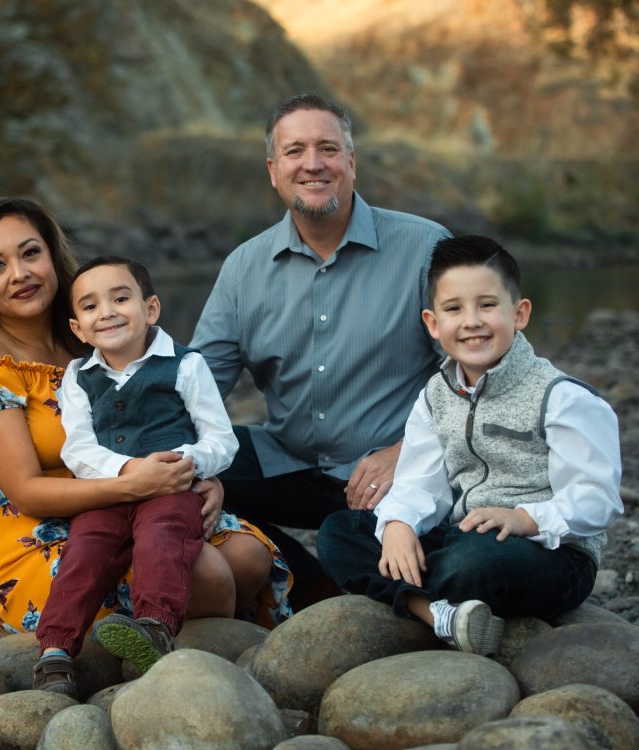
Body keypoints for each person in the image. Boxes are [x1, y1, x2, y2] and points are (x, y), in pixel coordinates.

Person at [0, 197, 291, 694]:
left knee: (249, 555)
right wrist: (139, 484)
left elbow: (164, 423)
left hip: (133, 498)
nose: (19, 274)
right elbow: (26, 493)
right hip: (32, 533)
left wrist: (196, 475)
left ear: (53, 256)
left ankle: (181, 646)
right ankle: (162, 672)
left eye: (30, 253)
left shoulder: (93, 342)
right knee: (210, 574)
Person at [191, 92, 451, 606]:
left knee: (363, 533)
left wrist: (408, 453)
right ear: (273, 169)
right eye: (295, 151)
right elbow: (194, 387)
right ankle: (312, 587)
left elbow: (477, 374)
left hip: (394, 472)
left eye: (328, 149)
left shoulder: (425, 248)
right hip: (291, 462)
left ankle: (352, 588)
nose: (313, 164)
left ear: (351, 163)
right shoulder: (244, 268)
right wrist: (195, 469)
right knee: (182, 475)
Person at [316, 235, 623, 654]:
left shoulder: (562, 398)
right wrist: (399, 526)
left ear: (519, 314)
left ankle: (421, 597)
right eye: (454, 309)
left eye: (488, 305)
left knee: (469, 562)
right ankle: (437, 613)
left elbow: (597, 502)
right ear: (433, 323)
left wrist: (524, 519)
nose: (472, 321)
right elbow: (419, 485)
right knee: (339, 532)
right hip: (461, 533)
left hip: (550, 555)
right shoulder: (436, 394)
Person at [31, 255, 239, 694]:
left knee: (163, 537)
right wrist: (126, 471)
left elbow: (221, 439)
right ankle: (55, 650)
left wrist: (186, 464)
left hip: (171, 487)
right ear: (78, 329)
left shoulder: (185, 365)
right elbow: (78, 449)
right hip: (107, 492)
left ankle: (154, 627)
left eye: (120, 298)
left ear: (151, 309)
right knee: (85, 550)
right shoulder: (78, 377)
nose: (106, 311)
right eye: (90, 306)